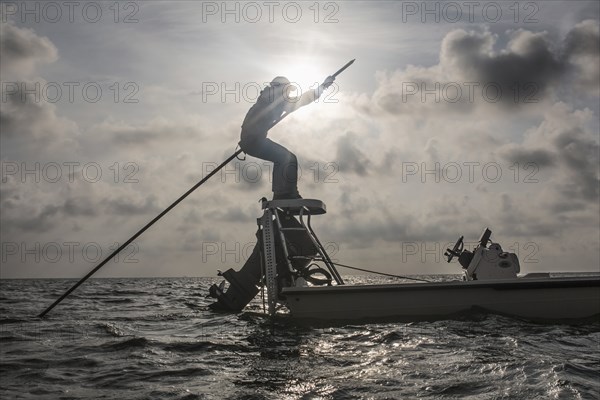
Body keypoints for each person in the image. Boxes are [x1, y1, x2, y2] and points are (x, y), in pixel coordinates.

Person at [239, 75, 335, 200]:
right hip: (252, 141)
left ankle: (283, 193)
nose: (289, 93)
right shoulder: (271, 97)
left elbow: (298, 101)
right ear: (280, 88)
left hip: (254, 140)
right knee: (287, 158)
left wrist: (322, 88)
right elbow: (300, 101)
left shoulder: (271, 97)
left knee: (284, 159)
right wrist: (322, 87)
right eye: (288, 90)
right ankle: (284, 194)